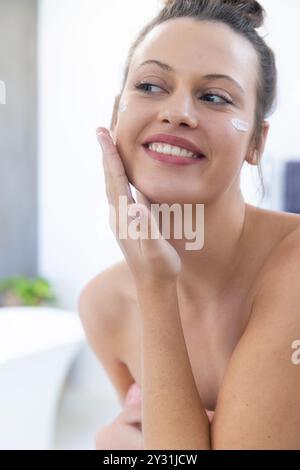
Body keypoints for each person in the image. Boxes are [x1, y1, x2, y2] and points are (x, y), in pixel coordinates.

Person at [79, 0, 300, 450]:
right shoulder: (103, 306)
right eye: (150, 85)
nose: (177, 112)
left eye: (214, 96)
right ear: (117, 114)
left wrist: (156, 287)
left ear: (256, 141)